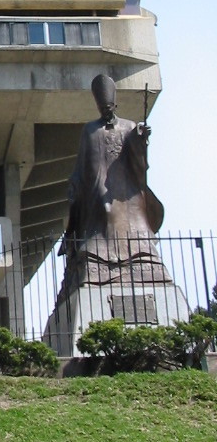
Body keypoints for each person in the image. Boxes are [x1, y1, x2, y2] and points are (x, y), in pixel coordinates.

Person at [60, 74, 169, 289]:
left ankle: (140, 257)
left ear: (115, 104)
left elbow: (139, 161)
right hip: (100, 185)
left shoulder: (128, 126)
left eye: (109, 106)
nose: (106, 110)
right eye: (102, 107)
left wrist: (140, 139)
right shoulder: (90, 130)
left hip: (126, 186)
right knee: (104, 208)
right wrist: (76, 184)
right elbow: (85, 163)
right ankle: (102, 259)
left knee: (134, 214)